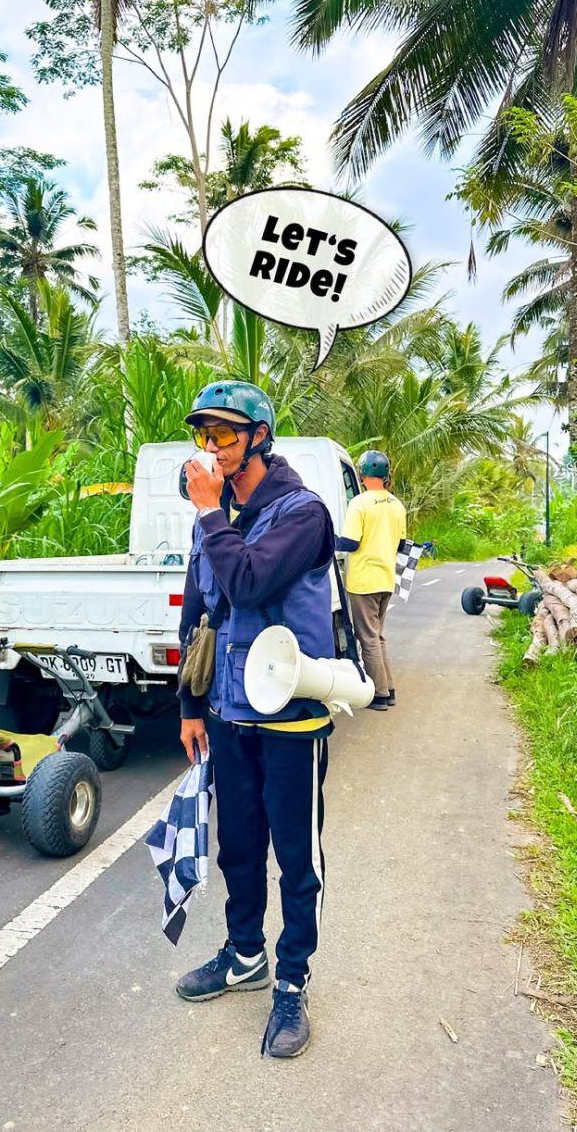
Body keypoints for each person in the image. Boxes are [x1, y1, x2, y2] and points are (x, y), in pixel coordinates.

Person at [176, 381, 335, 1060]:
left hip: (291, 716)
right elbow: (198, 612)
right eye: (202, 436)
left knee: (295, 859)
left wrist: (211, 511)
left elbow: (246, 583)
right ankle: (245, 955)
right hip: (228, 715)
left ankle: (292, 981)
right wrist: (188, 706)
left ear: (260, 437)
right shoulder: (209, 519)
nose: (209, 449)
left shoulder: (303, 513)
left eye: (224, 435)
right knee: (236, 845)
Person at [336, 450, 407, 712]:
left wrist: (327, 537)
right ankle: (389, 688)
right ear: (385, 475)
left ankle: (378, 694)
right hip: (386, 578)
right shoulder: (397, 505)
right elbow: (400, 543)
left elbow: (350, 543)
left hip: (363, 580)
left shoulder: (360, 503)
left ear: (362, 474)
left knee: (367, 638)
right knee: (377, 635)